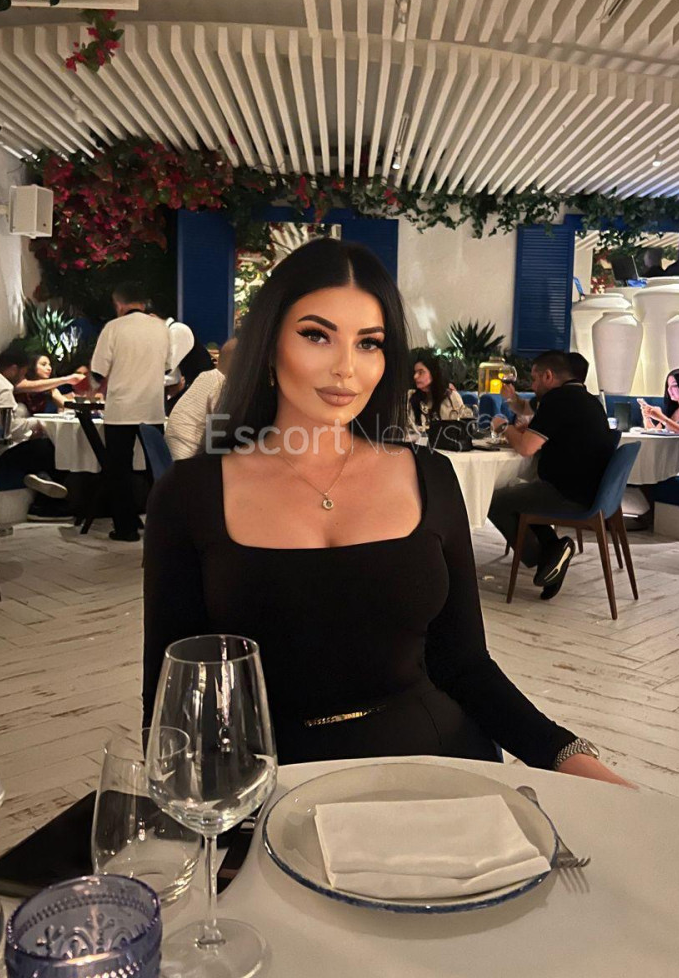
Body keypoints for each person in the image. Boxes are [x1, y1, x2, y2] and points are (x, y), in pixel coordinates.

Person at [144, 240, 627, 785]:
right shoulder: (190, 495)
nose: (345, 368)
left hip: (434, 767)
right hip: (265, 785)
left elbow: (464, 665)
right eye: (316, 335)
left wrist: (572, 758)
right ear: (269, 343)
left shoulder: (429, 476)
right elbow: (170, 704)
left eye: (368, 343)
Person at [488, 350, 615, 600]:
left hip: (568, 493)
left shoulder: (558, 400)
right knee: (520, 497)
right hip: (592, 491)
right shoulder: (588, 400)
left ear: (548, 376)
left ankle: (546, 559)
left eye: (535, 379)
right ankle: (554, 553)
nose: (532, 386)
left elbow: (526, 448)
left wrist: (503, 427)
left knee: (495, 502)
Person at [91, 281, 172, 542]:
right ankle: (163, 526)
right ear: (144, 302)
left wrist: (96, 386)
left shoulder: (114, 328)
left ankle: (125, 529)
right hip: (152, 408)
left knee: (120, 471)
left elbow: (97, 371)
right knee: (156, 470)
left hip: (121, 409)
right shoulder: (161, 328)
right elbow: (168, 367)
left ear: (118, 304)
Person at [0, 347, 72, 519]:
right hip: (0, 451)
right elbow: (6, 427)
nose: (22, 379)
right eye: (23, 373)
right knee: (53, 448)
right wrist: (36, 424)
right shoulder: (2, 388)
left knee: (40, 449)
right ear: (13, 369)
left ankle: (41, 478)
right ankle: (47, 507)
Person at [164, 337, 236, 460]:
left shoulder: (207, 377)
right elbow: (228, 434)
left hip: (179, 456)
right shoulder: (221, 386)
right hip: (188, 461)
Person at [407, 349, 473, 434]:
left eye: (421, 372)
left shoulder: (451, 397)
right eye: (415, 372)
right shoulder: (411, 397)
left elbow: (461, 429)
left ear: (434, 373)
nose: (415, 376)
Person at [15, 353, 82, 415]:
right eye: (43, 364)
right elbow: (32, 386)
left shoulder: (51, 388)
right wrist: (68, 379)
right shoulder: (21, 382)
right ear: (33, 366)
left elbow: (67, 405)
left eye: (49, 365)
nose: (49, 368)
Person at [640, 369, 679, 435]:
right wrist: (647, 417)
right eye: (668, 386)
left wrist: (661, 418)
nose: (669, 390)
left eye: (674, 386)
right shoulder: (674, 408)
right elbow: (656, 432)